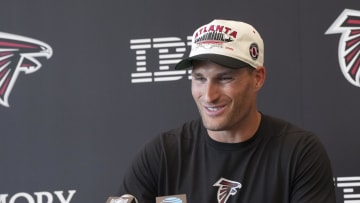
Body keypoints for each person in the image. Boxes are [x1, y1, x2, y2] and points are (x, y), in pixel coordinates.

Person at [119, 19, 336, 203]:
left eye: (225, 78)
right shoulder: (162, 155)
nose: (209, 95)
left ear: (258, 78)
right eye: (199, 79)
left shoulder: (299, 153)